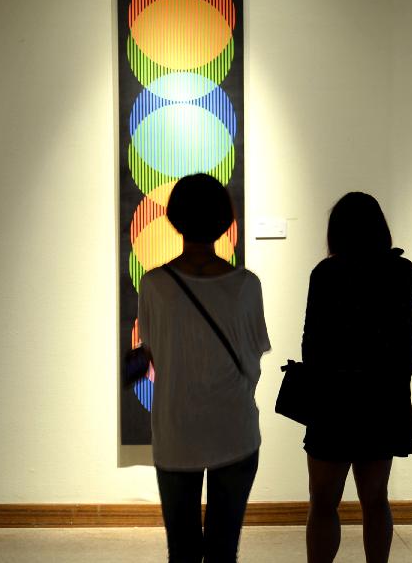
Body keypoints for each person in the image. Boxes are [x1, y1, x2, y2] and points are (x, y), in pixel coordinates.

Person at [138, 173, 270, 563]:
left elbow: (155, 355)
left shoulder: (154, 286)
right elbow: (255, 353)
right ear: (225, 220)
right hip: (234, 427)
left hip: (176, 428)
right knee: (223, 551)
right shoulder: (247, 285)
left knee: (181, 551)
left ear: (174, 219)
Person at [301, 192, 412, 563]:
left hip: (332, 402)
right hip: (382, 400)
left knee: (322, 502)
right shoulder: (403, 273)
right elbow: (403, 342)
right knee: (375, 500)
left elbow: (311, 343)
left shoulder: (326, 274)